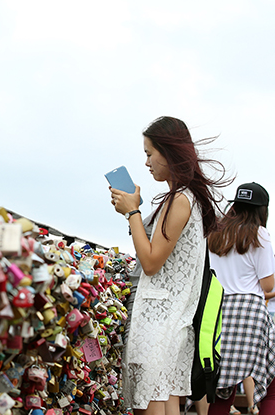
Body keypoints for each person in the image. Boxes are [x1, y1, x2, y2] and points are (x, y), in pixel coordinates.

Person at [110, 116, 228, 415]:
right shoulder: (192, 198)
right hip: (176, 323)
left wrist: (132, 212)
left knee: (147, 403)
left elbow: (150, 262)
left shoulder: (179, 199)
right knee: (167, 402)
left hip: (158, 322)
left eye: (150, 153)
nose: (147, 162)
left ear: (169, 151)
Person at [206, 182, 275, 414]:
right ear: (261, 210)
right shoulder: (260, 234)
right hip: (249, 311)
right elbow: (268, 285)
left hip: (217, 308)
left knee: (221, 386)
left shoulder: (214, 233)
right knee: (269, 382)